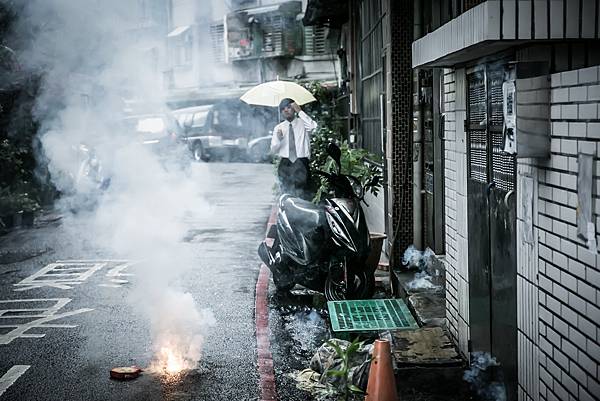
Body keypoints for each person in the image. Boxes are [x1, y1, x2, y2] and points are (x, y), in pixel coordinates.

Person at [270, 98, 318, 198]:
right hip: (285, 164)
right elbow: (273, 150)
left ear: (294, 109)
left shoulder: (303, 124)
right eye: (283, 109)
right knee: (287, 194)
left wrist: (300, 111)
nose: (286, 110)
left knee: (304, 195)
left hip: (301, 163)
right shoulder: (279, 128)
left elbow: (313, 127)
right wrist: (279, 139)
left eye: (289, 107)